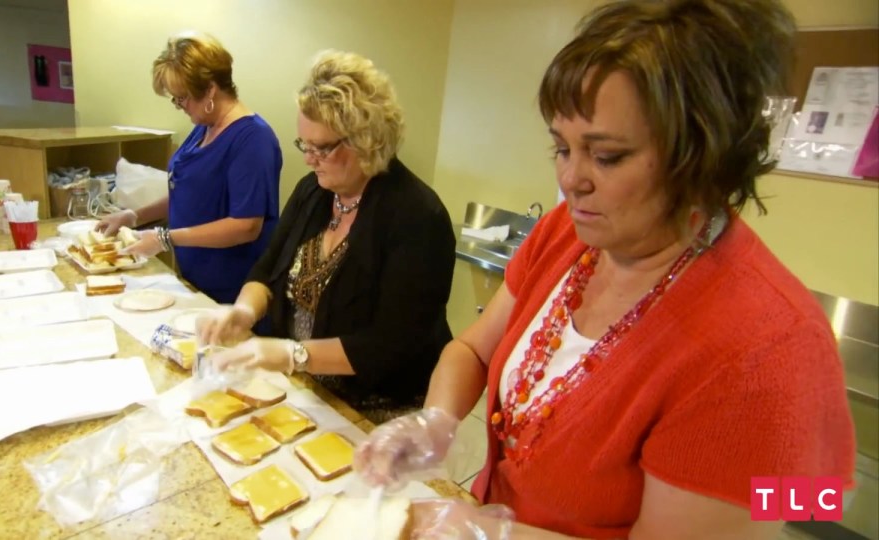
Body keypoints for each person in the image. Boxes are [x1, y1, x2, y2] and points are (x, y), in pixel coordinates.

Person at [354, 0, 856, 538]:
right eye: (561, 148)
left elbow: (790, 504)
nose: (571, 179)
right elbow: (473, 349)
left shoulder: (763, 352)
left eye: (607, 156)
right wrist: (437, 421)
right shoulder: (568, 234)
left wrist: (490, 534)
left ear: (702, 157)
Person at [200, 50, 456, 424]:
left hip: (380, 410)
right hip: (314, 393)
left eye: (322, 147)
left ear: (367, 140)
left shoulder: (417, 216)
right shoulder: (314, 192)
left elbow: (390, 345)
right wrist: (242, 312)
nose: (309, 158)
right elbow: (267, 268)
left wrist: (292, 354)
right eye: (304, 145)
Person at [96, 32, 282, 304]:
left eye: (182, 98)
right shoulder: (203, 128)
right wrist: (134, 215)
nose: (179, 106)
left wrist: (165, 238)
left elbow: (246, 226)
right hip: (197, 279)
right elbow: (188, 192)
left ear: (209, 89)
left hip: (235, 287)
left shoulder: (253, 140)